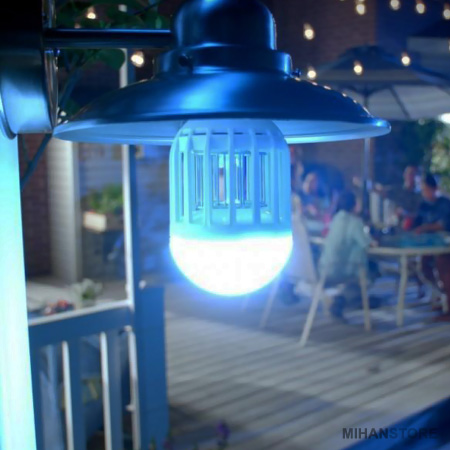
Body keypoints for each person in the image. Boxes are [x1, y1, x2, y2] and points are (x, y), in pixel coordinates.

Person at [319, 191, 372, 318]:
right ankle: (346, 299)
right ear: (354, 205)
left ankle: (342, 299)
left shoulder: (335, 220)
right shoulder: (355, 222)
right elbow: (366, 244)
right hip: (341, 269)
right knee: (372, 272)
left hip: (324, 267)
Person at [413, 174, 450, 317]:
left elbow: (443, 225)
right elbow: (416, 224)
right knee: (423, 266)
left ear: (434, 189)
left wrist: (426, 227)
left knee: (443, 267)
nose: (424, 193)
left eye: (426, 189)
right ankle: (440, 296)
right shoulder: (423, 205)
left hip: (445, 246)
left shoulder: (444, 204)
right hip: (428, 245)